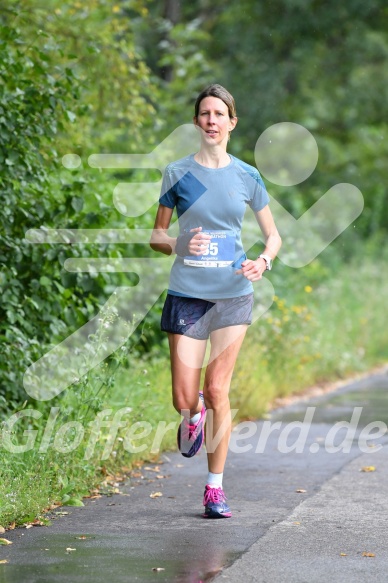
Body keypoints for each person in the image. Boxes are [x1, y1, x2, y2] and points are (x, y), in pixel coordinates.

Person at [150, 84, 282, 518]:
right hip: (187, 294)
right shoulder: (177, 173)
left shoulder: (247, 175)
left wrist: (263, 261)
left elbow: (273, 236)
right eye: (204, 113)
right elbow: (157, 237)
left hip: (233, 295)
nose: (211, 120)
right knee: (185, 398)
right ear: (196, 121)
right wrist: (179, 244)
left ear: (231, 122)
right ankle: (192, 418)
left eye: (218, 113)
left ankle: (214, 489)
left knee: (217, 389)